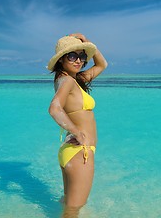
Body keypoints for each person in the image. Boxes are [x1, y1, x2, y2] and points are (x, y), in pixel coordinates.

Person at [48, 33, 108, 215]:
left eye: (82, 56)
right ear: (61, 60)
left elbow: (102, 65)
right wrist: (77, 131)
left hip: (72, 151)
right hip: (79, 152)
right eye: (72, 56)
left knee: (68, 204)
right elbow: (54, 109)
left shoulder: (74, 80)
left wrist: (87, 40)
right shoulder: (67, 81)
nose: (78, 61)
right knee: (74, 209)